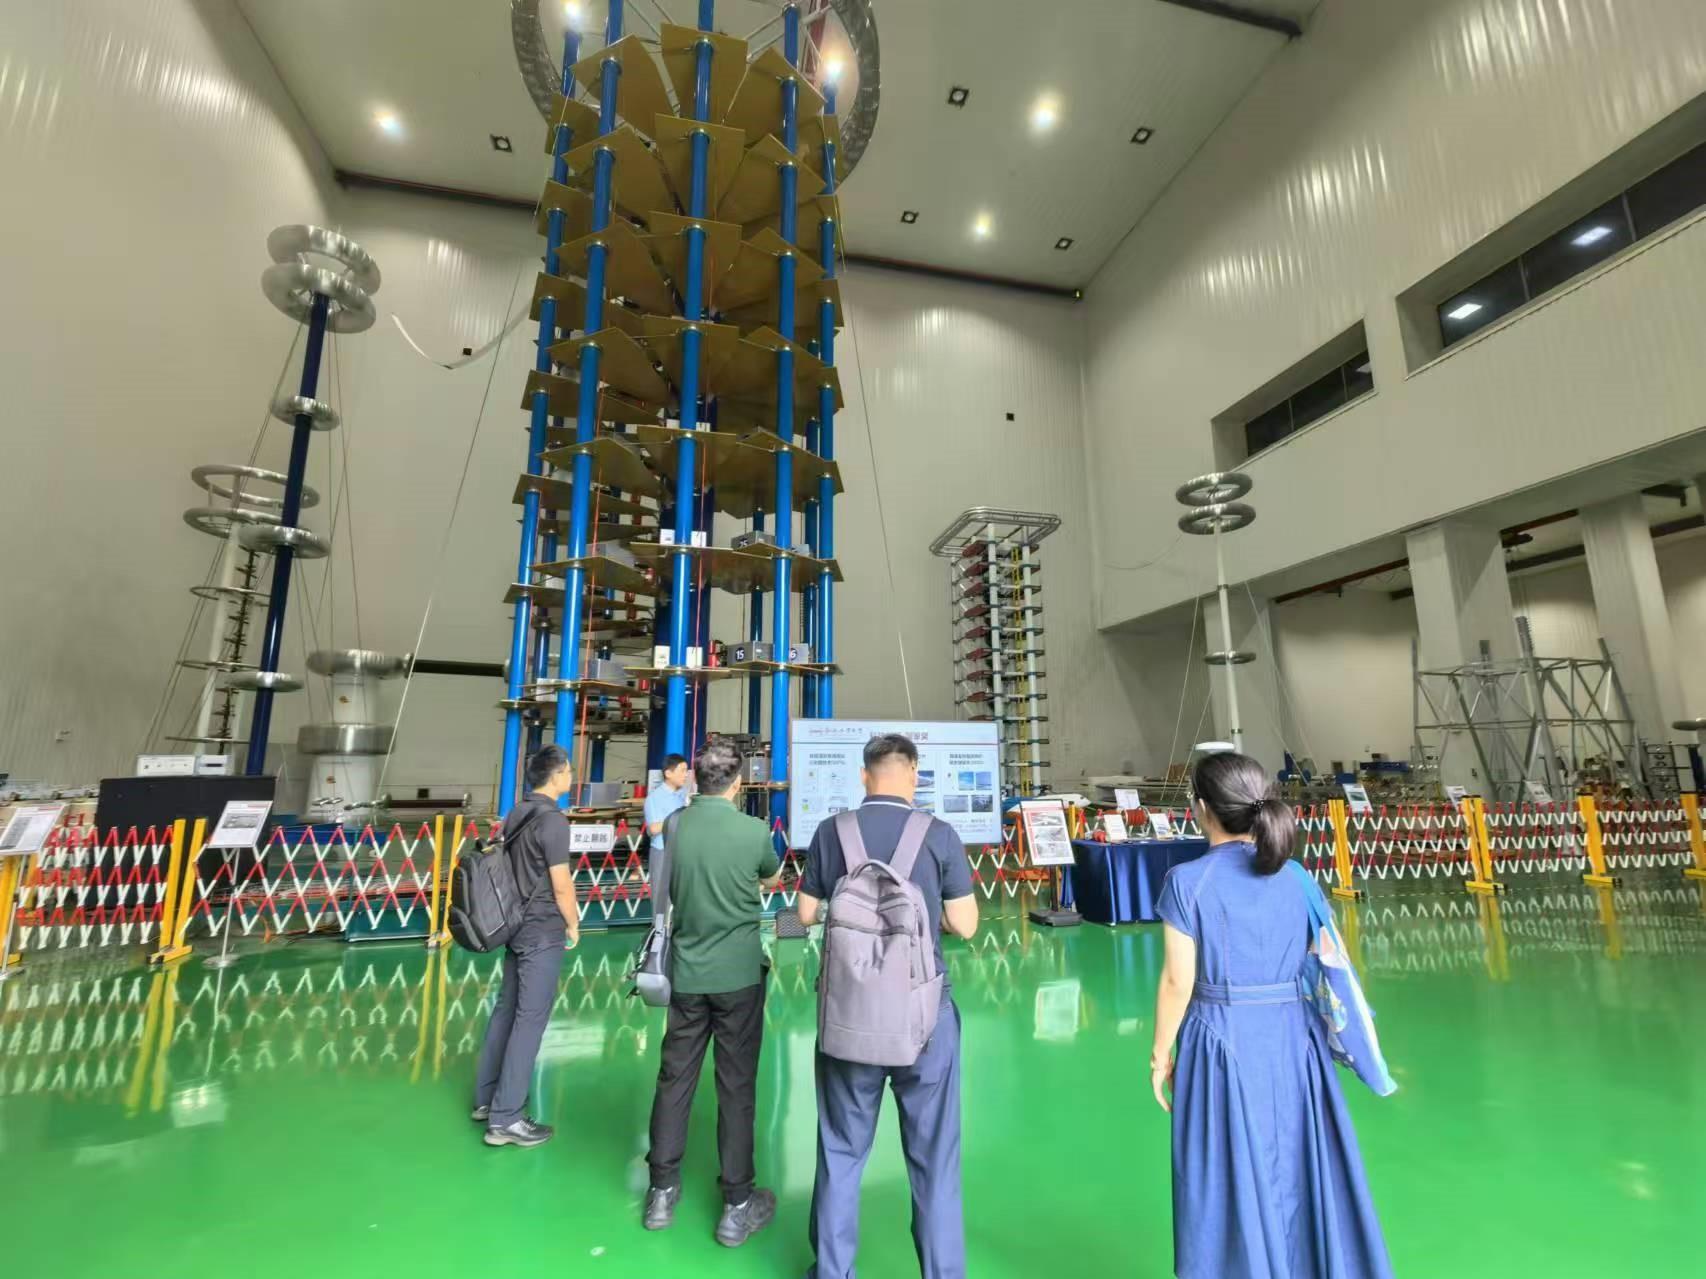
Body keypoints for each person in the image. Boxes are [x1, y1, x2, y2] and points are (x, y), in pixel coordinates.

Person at [1152, 751, 1393, 1279]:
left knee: (1224, 1171)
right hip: (1294, 1041)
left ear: (1201, 809)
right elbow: (1321, 958)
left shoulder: (1187, 881)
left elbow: (1177, 982)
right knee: (1300, 1163)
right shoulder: (1297, 878)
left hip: (1221, 1040)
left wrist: (1160, 1054)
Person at [796, 733, 979, 1279]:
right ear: (914, 774)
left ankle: (833, 1271)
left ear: (863, 775)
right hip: (924, 1020)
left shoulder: (832, 831)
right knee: (934, 1160)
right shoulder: (938, 834)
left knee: (841, 1151)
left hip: (848, 1018)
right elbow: (967, 924)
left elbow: (804, 915)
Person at [642, 737, 784, 1246]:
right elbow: (772, 877)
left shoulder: (676, 825)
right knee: (736, 1087)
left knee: (673, 1079)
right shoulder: (754, 831)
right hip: (739, 976)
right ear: (738, 784)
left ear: (695, 779)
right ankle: (737, 1205)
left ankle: (661, 1192)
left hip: (686, 974)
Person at [472, 744, 581, 1148]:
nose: (571, 776)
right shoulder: (553, 822)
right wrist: (573, 923)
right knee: (530, 1019)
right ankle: (507, 1119)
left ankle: (487, 1099)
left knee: (506, 1010)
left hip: (514, 925)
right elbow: (561, 884)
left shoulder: (518, 812)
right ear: (556, 776)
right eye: (568, 770)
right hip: (541, 928)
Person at [645, 753, 692, 856]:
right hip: (662, 851)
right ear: (668, 774)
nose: (686, 775)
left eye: (686, 771)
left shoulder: (685, 794)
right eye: (682, 770)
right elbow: (653, 829)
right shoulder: (654, 798)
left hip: (682, 850)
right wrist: (679, 819)